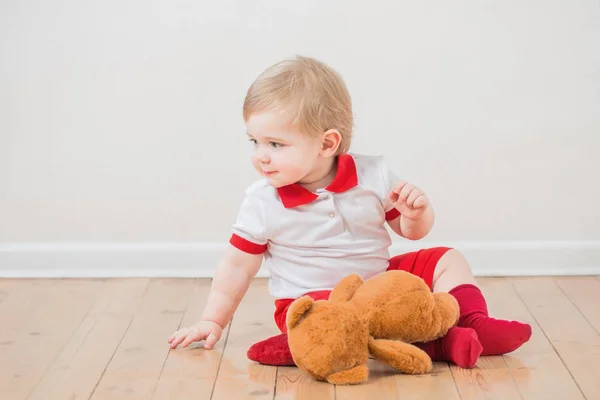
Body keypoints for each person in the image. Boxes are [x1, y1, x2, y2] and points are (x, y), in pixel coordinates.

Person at [168, 55, 532, 368]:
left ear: (327, 143)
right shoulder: (262, 202)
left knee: (447, 259)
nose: (260, 155)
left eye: (275, 144)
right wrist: (212, 320)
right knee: (333, 322)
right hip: (312, 303)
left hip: (380, 285)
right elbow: (235, 268)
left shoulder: (372, 174)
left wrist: (415, 214)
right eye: (255, 141)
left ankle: (471, 321)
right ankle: (441, 342)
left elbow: (412, 234)